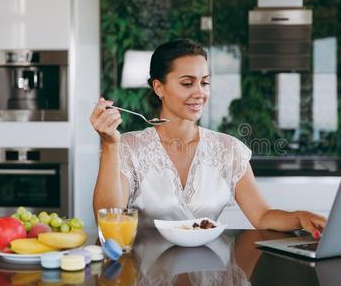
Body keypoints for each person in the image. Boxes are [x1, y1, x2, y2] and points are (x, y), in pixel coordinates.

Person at [90, 39, 326, 238]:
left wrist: (300, 216)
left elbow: (262, 216)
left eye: (204, 82)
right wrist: (110, 144)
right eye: (187, 83)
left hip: (209, 272)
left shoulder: (229, 149)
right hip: (144, 271)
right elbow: (109, 219)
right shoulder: (128, 147)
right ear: (159, 87)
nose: (199, 93)